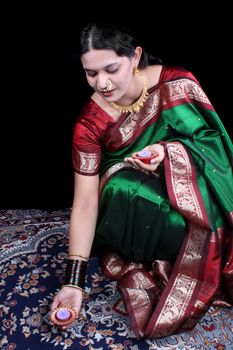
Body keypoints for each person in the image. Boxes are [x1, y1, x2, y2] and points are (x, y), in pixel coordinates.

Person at [51, 22, 233, 338]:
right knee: (135, 193)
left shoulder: (177, 84)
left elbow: (213, 145)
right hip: (127, 202)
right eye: (91, 74)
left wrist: (168, 153)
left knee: (205, 214)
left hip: (183, 182)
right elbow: (85, 201)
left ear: (135, 56)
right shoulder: (89, 124)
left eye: (111, 69)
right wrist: (73, 281)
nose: (102, 83)